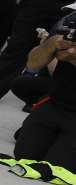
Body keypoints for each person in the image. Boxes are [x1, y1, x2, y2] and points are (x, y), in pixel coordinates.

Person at [13, 15, 76, 173]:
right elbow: (32, 65)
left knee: (59, 168)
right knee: (24, 156)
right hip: (57, 103)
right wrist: (51, 45)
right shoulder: (70, 22)